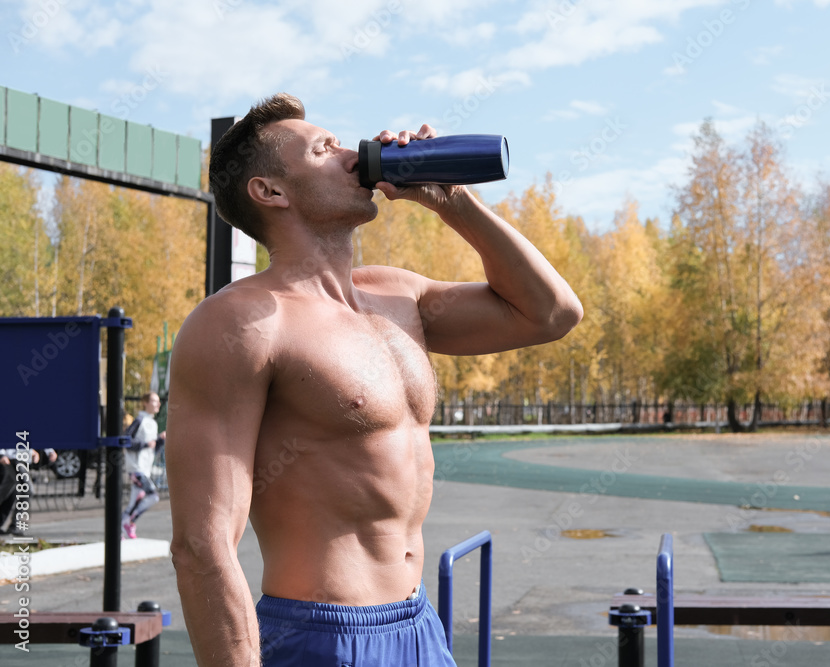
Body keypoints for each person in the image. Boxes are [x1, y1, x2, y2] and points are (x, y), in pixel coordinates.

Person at [166, 93, 583, 667]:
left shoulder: (398, 294)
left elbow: (552, 313)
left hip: (418, 625)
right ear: (271, 191)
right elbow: (201, 545)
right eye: (323, 149)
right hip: (321, 637)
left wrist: (452, 201)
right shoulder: (241, 322)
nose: (349, 154)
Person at [121, 392, 163, 539]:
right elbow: (126, 441)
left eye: (158, 401)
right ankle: (129, 521)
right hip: (136, 468)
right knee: (153, 496)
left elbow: (152, 449)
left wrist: (160, 441)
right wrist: (145, 444)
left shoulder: (153, 423)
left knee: (135, 499)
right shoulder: (139, 420)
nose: (157, 404)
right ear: (145, 403)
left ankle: (122, 528)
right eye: (154, 401)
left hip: (145, 469)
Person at [0, 447, 57, 535]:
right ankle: (15, 525)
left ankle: (10, 525)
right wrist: (2, 454)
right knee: (27, 489)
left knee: (6, 490)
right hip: (13, 458)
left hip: (19, 458)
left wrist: (48, 451)